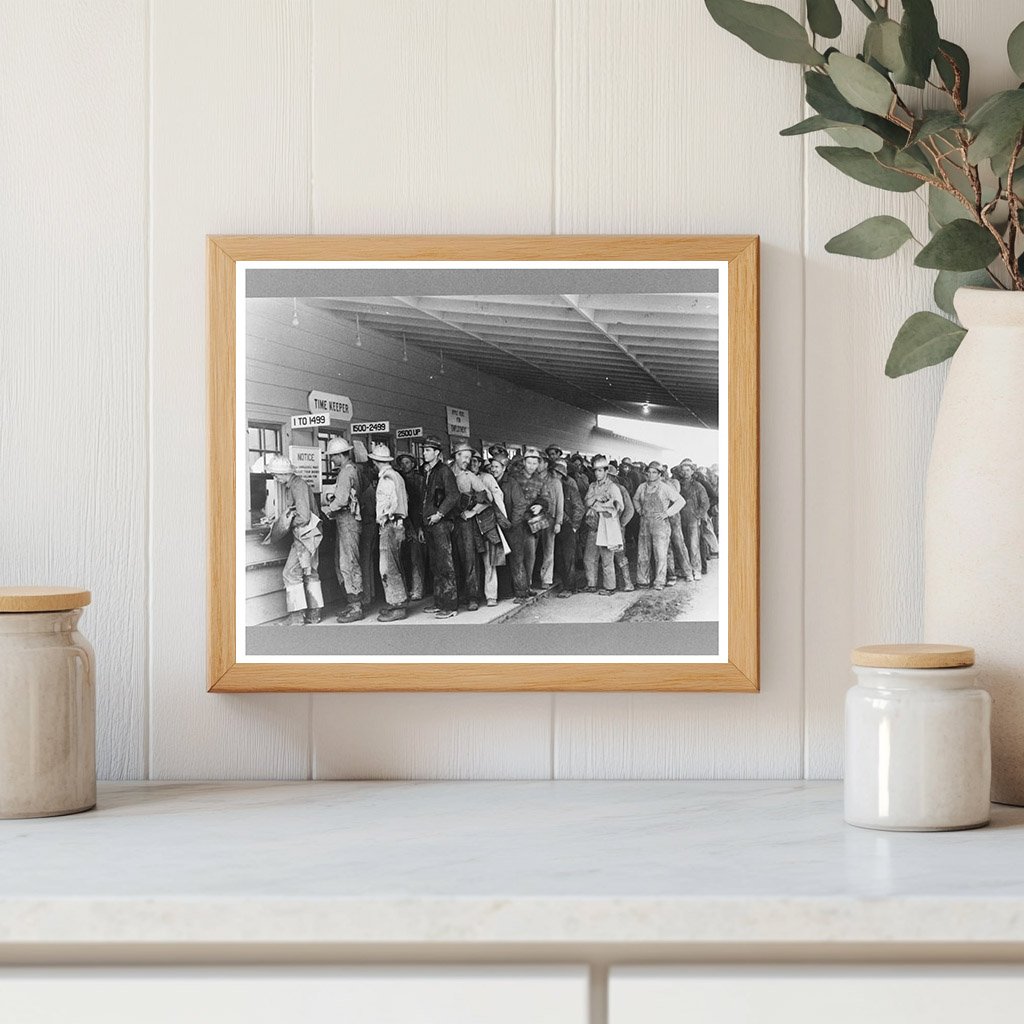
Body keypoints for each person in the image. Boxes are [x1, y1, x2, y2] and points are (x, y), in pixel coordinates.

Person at [264, 454, 324, 624]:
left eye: (276, 475)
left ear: (284, 473)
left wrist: (286, 522)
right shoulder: (296, 484)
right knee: (310, 572)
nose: (275, 478)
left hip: (304, 536)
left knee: (290, 573)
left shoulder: (297, 486)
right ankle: (314, 614)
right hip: (311, 535)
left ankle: (296, 617)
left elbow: (304, 517)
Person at [501, 446, 552, 603]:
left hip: (531, 523)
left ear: (538, 464)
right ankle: (516, 588)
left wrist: (540, 505)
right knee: (516, 556)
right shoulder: (514, 477)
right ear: (524, 462)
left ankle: (527, 585)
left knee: (530, 555)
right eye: (529, 463)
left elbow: (546, 498)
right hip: (515, 521)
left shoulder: (540, 480)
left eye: (535, 463)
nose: (531, 466)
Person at [323, 436, 364, 623]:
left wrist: (328, 509)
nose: (332, 459)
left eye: (333, 456)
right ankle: (351, 601)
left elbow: (341, 500)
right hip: (347, 520)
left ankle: (356, 607)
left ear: (341, 455)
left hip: (348, 520)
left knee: (349, 562)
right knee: (344, 561)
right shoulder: (353, 469)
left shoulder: (346, 472)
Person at [420, 436, 460, 618]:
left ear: (436, 452)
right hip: (429, 523)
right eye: (424, 450)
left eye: (428, 450)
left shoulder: (444, 471)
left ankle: (450, 606)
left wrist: (440, 514)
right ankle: (439, 602)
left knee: (445, 563)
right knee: (435, 564)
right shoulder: (427, 472)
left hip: (441, 524)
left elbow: (453, 495)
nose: (424, 453)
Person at [369, 443, 410, 622]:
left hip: (390, 524)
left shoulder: (386, 478)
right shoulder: (397, 475)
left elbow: (392, 502)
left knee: (387, 566)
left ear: (376, 462)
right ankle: (397, 601)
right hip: (399, 524)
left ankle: (398, 606)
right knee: (395, 563)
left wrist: (385, 516)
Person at [633, 461, 686, 590]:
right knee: (643, 553)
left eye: (654, 472)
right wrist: (639, 510)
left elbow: (680, 501)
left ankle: (660, 581)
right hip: (645, 523)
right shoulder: (642, 487)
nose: (651, 475)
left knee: (660, 554)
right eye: (649, 472)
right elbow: (635, 499)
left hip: (660, 525)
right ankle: (643, 581)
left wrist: (667, 513)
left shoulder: (664, 487)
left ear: (659, 474)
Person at [451, 441, 490, 611]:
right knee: (452, 559)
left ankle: (473, 597)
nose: (467, 461)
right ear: (456, 456)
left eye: (469, 457)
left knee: (469, 559)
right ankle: (458, 595)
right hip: (449, 522)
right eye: (465, 457)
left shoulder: (469, 476)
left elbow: (487, 497)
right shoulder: (446, 473)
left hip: (465, 523)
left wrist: (473, 511)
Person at [582, 456, 624, 595]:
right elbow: (586, 502)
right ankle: (591, 584)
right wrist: (596, 498)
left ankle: (610, 587)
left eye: (600, 470)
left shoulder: (612, 487)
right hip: (594, 524)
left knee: (607, 558)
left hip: (607, 524)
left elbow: (619, 506)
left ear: (606, 471)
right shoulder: (592, 486)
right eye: (595, 471)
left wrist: (603, 506)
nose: (597, 473)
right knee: (589, 557)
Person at [395, 452, 425, 601]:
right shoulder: (398, 478)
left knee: (416, 557)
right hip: (404, 521)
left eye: (407, 462)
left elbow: (421, 503)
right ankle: (407, 589)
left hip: (415, 521)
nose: (404, 466)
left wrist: (420, 526)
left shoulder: (420, 479)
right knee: (404, 557)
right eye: (402, 463)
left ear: (413, 464)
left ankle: (418, 589)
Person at [552, 458, 584, 598]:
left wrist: (574, 526)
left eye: (557, 473)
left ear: (562, 475)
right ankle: (566, 584)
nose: (554, 476)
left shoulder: (570, 490)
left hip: (568, 527)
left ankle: (570, 587)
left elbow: (579, 508)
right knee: (559, 557)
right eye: (553, 473)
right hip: (555, 526)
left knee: (568, 559)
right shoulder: (550, 488)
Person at [677, 460, 711, 579]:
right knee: (682, 545)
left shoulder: (698, 486)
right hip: (680, 519)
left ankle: (696, 570)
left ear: (692, 472)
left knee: (694, 545)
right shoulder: (678, 485)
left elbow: (705, 503)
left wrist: (697, 515)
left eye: (688, 470)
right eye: (683, 470)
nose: (685, 473)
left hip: (693, 520)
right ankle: (686, 569)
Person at [607, 465, 636, 592]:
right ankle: (615, 583)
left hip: (616, 527)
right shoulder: (598, 488)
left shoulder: (620, 489)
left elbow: (629, 510)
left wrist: (621, 524)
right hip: (603, 527)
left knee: (619, 555)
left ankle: (627, 583)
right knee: (608, 556)